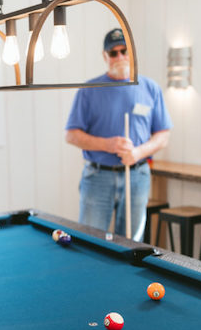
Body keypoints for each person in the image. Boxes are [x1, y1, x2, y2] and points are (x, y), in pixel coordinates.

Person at [65, 28, 172, 241]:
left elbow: (163, 136)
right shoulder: (89, 90)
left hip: (137, 175)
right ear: (105, 57)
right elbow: (72, 135)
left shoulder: (150, 88)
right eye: (113, 53)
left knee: (131, 244)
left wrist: (138, 152)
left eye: (125, 51)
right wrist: (108, 145)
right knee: (90, 240)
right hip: (98, 177)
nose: (120, 56)